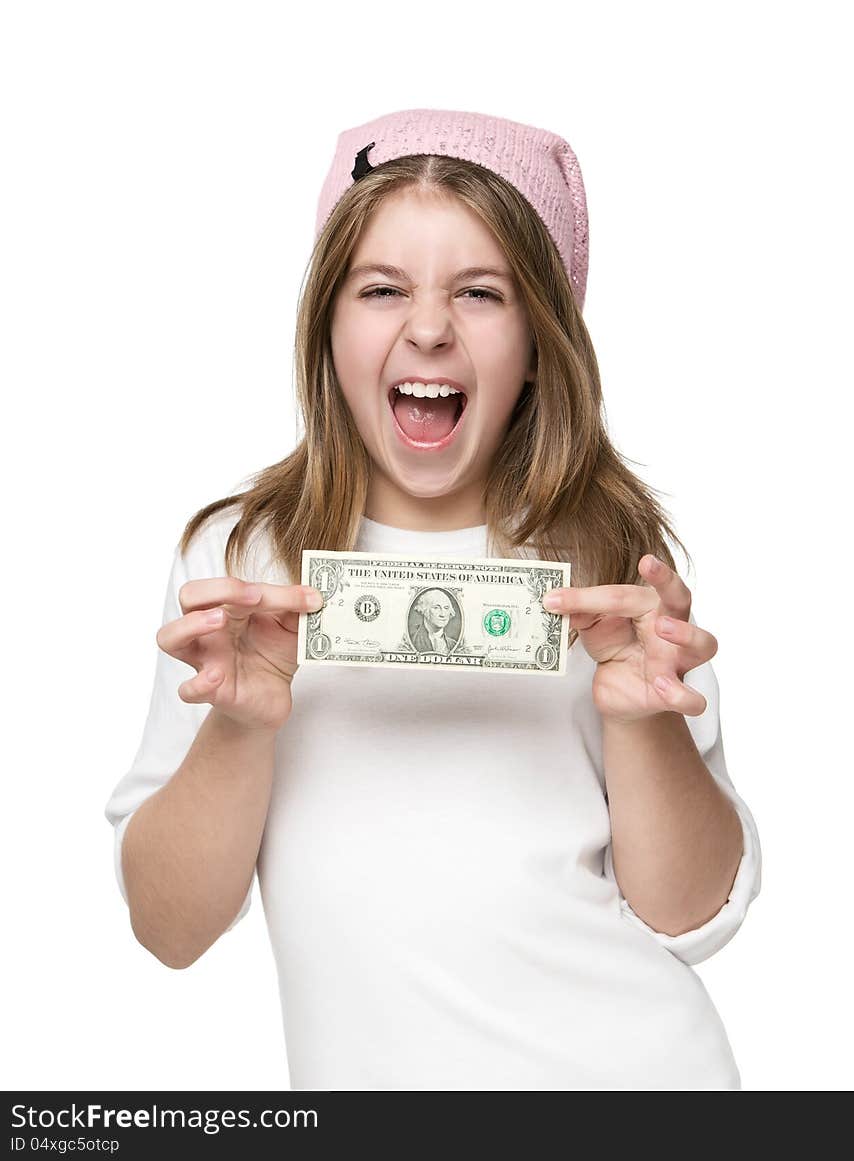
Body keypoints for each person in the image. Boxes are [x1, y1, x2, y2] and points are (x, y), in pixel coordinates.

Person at [104, 107, 762, 1091]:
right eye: (381, 289)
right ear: (326, 324)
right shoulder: (243, 559)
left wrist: (645, 724)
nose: (426, 327)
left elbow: (688, 916)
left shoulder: (613, 560)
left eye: (479, 293)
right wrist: (237, 728)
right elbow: (169, 928)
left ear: (540, 344)